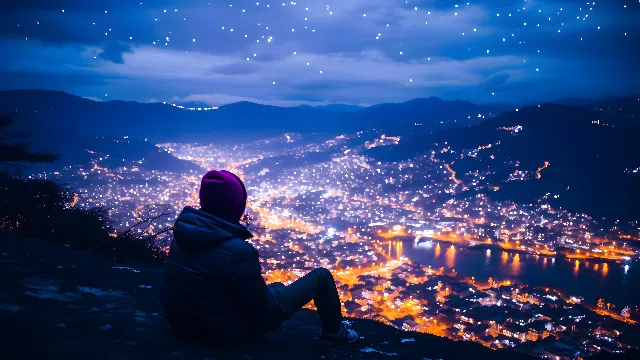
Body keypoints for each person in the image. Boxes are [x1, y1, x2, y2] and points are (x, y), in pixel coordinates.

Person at [162, 170, 358, 344]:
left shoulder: (183, 234)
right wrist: (279, 295)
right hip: (220, 332)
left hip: (181, 323)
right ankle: (334, 332)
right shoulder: (238, 251)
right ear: (235, 206)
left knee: (277, 287)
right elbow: (261, 310)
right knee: (321, 277)